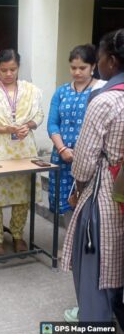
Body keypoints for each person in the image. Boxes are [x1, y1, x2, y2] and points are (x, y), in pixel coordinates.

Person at [61, 29, 124, 330]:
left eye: (98, 58)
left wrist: (78, 189)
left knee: (96, 272)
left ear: (110, 60)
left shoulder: (105, 101)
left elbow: (84, 163)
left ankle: (96, 333)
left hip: (107, 194)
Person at [0, 49, 44, 257]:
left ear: (18, 68)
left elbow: (39, 115)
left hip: (22, 150)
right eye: (4, 70)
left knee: (22, 192)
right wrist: (4, 129)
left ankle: (17, 234)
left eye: (12, 69)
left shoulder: (30, 91)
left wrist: (28, 125)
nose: (8, 74)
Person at [48, 44, 105, 228]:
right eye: (73, 68)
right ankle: (70, 240)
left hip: (90, 159)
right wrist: (62, 149)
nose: (77, 72)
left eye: (82, 68)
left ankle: (86, 242)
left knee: (89, 202)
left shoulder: (102, 90)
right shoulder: (61, 91)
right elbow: (52, 124)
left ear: (93, 66)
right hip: (62, 156)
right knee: (66, 202)